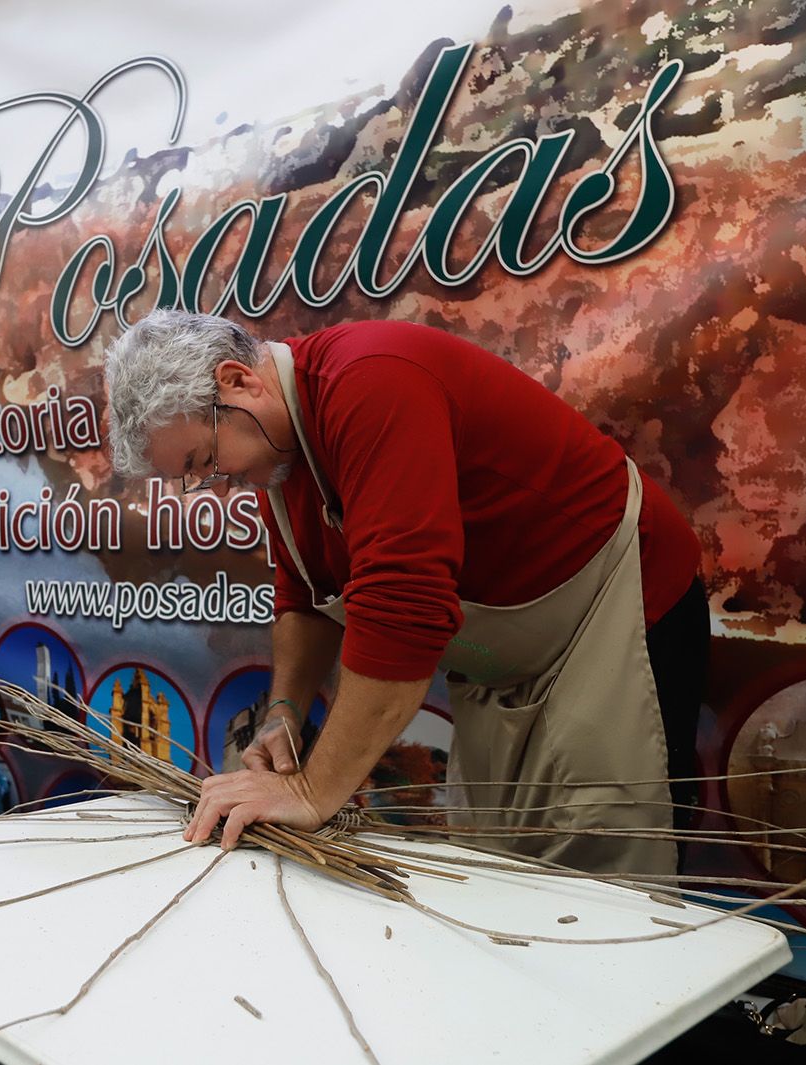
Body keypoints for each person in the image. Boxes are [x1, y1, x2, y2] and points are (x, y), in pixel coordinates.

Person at [104, 311, 706, 877]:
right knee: (503, 858)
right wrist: (284, 712)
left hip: (613, 607)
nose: (217, 483)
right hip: (509, 657)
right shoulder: (281, 458)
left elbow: (404, 604)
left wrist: (312, 792)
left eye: (206, 460)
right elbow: (305, 592)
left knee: (603, 847)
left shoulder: (370, 380)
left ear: (237, 382)